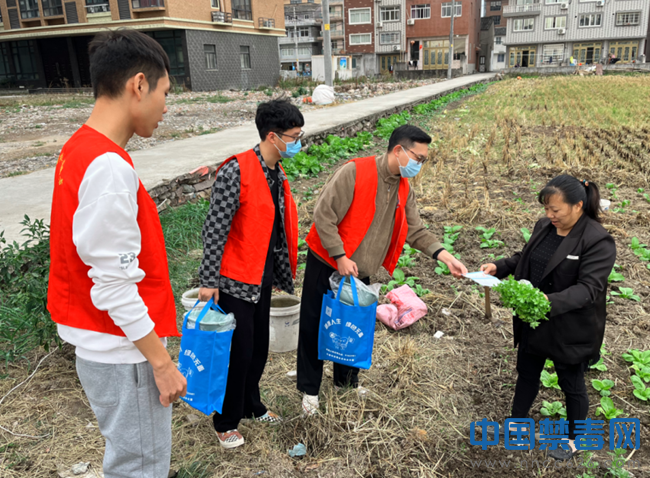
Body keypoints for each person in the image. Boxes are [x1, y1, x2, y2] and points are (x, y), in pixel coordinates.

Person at [47, 30, 187, 478]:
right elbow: (113, 283)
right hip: (124, 352)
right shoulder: (107, 166)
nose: (166, 107)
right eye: (166, 93)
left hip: (104, 344)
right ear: (139, 85)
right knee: (139, 467)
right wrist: (161, 364)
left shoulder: (78, 148)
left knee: (129, 461)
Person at [297, 124, 468, 416]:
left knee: (352, 326)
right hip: (328, 262)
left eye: (424, 160)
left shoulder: (403, 187)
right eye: (418, 158)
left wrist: (445, 256)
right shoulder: (355, 172)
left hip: (358, 270)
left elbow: (415, 230)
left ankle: (346, 383)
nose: (419, 165)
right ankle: (310, 390)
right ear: (398, 150)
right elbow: (323, 215)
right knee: (317, 325)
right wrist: (339, 255)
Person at [480, 175, 616, 461]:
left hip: (570, 325)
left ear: (578, 205)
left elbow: (589, 289)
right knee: (527, 372)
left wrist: (548, 301)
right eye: (546, 208)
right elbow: (527, 257)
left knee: (571, 383)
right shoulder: (544, 226)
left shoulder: (597, 240)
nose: (550, 215)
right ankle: (516, 422)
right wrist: (499, 267)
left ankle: (575, 439)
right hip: (535, 319)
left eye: (556, 209)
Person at [198, 99, 302, 449]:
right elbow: (215, 230)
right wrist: (208, 281)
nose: (298, 143)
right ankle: (225, 421)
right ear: (273, 136)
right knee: (237, 353)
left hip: (262, 276)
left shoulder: (276, 173)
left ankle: (251, 405)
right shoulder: (236, 171)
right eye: (294, 137)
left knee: (258, 347)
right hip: (234, 280)